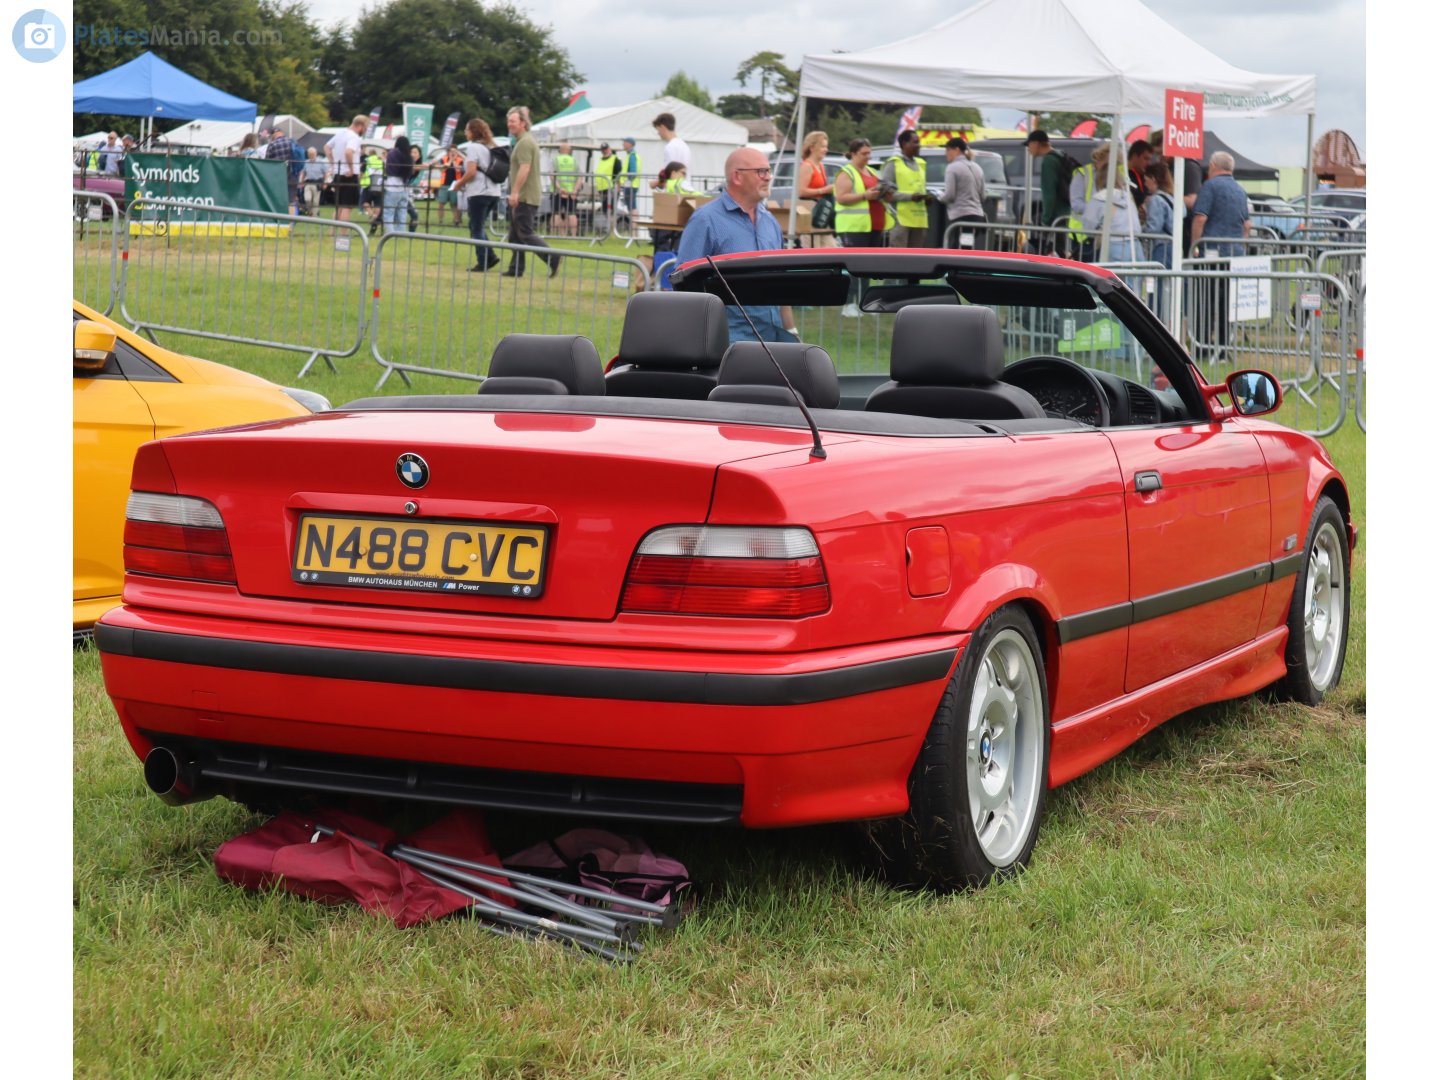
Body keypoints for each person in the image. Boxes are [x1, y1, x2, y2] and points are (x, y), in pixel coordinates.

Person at [675, 147, 796, 343]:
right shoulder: (706, 220)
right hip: (728, 342)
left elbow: (780, 284)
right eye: (761, 171)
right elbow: (684, 286)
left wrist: (791, 329)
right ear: (737, 177)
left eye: (769, 171)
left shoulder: (770, 222)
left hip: (772, 339)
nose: (768, 177)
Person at [1191, 150, 1251, 360]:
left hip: (1211, 252)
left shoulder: (1210, 187)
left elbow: (1200, 219)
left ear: (1213, 165)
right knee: (1226, 304)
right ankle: (1223, 349)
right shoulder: (1240, 190)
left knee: (1205, 300)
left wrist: (1194, 246)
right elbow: (1247, 225)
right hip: (1234, 255)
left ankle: (1203, 348)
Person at [503, 106, 559, 278]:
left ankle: (553, 257)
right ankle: (515, 269)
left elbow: (524, 169)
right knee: (515, 236)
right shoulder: (525, 141)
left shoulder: (525, 143)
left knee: (525, 233)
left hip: (525, 197)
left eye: (512, 121)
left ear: (522, 123)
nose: (509, 124)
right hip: (525, 195)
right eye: (509, 121)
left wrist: (515, 193)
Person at [456, 117, 503, 272]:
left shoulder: (473, 148)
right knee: (476, 226)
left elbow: (471, 172)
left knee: (476, 227)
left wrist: (459, 184)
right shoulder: (491, 146)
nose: (465, 132)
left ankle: (483, 261)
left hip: (479, 192)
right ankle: (490, 256)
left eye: (467, 129)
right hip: (494, 192)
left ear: (473, 131)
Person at [1081, 144, 1141, 262]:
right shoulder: (1128, 197)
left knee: (1113, 280)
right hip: (1136, 247)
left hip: (1113, 246)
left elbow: (1088, 227)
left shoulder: (1099, 199)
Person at [880, 129, 932, 248]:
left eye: (919, 142)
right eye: (915, 142)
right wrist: (911, 197)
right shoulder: (893, 163)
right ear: (904, 144)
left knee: (916, 259)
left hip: (919, 220)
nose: (919, 145)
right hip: (900, 221)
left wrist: (926, 198)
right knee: (899, 259)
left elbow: (919, 187)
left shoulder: (920, 164)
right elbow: (886, 193)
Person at [1026, 129, 1071, 254]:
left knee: (1057, 255)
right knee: (1063, 254)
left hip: (1057, 217)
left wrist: (1045, 221)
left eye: (1029, 144)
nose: (1028, 148)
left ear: (1036, 143)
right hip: (1066, 214)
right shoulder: (1059, 155)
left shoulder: (1048, 161)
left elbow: (1049, 194)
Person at [938, 136, 987, 251]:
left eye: (948, 150)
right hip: (977, 217)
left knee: (957, 251)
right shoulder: (977, 167)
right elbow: (983, 196)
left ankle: (958, 269)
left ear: (956, 150)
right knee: (966, 249)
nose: (946, 153)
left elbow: (949, 195)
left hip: (961, 216)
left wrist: (940, 195)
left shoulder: (952, 168)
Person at [325, 115, 367, 223]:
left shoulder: (340, 133)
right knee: (347, 207)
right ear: (360, 126)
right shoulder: (354, 137)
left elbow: (327, 147)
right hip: (349, 175)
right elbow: (348, 152)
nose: (365, 131)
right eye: (365, 128)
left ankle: (332, 233)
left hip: (338, 173)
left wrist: (333, 163)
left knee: (339, 206)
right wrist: (352, 169)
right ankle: (343, 236)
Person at [1068, 146, 1101, 261]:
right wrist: (1099, 211)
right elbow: (1076, 204)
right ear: (1098, 158)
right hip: (1082, 236)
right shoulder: (1082, 174)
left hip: (1099, 236)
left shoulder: (1110, 175)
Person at [1142, 161, 1175, 266]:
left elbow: (1153, 228)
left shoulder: (1156, 200)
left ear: (1153, 179)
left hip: (1161, 246)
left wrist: (1139, 230)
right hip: (1174, 246)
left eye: (1145, 180)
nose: (1144, 184)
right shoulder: (1173, 198)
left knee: (1159, 280)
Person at [380, 136, 414, 234]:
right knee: (402, 213)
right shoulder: (409, 156)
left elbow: (388, 168)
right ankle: (401, 233)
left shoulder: (392, 153)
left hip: (392, 185)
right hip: (404, 187)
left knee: (388, 212)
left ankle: (390, 234)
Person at [264, 125, 299, 215]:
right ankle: (290, 225)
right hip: (293, 175)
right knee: (291, 201)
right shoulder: (292, 142)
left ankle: (280, 222)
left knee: (277, 200)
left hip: (277, 177)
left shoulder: (272, 144)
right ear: (282, 133)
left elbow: (266, 163)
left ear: (273, 135)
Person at [552, 141, 580, 237]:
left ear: (560, 150)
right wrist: (575, 190)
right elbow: (580, 177)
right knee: (572, 214)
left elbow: (552, 176)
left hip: (558, 192)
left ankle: (559, 234)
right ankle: (573, 236)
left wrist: (559, 188)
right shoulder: (574, 161)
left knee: (557, 213)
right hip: (571, 192)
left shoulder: (555, 160)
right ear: (569, 151)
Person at [593, 143, 622, 230]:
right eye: (602, 149)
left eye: (605, 149)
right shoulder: (601, 160)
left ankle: (612, 229)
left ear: (609, 149)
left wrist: (618, 188)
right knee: (606, 210)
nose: (604, 151)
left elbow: (619, 175)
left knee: (611, 210)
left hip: (611, 188)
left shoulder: (615, 159)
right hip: (602, 189)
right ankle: (610, 228)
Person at [1126, 139, 1153, 221]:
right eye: (1145, 158)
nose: (1149, 163)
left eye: (1150, 159)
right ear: (1134, 156)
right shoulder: (1122, 174)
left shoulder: (1145, 176)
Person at [435, 146, 463, 226]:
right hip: (444, 184)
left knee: (454, 204)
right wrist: (450, 160)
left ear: (457, 152)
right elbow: (442, 170)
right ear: (448, 152)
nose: (453, 153)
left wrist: (453, 161)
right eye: (451, 151)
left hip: (455, 185)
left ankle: (456, 221)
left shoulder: (460, 160)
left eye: (455, 151)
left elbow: (458, 170)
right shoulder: (443, 159)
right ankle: (440, 221)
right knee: (441, 203)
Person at [363, 146, 386, 234]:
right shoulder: (381, 162)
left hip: (368, 184)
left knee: (364, 202)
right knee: (378, 204)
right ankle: (375, 218)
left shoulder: (367, 160)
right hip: (380, 185)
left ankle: (372, 215)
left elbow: (362, 171)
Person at [299, 148, 328, 215]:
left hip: (317, 183)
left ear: (316, 154)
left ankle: (314, 216)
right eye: (310, 154)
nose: (311, 156)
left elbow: (326, 173)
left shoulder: (321, 162)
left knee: (315, 202)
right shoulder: (306, 162)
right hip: (308, 182)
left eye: (312, 154)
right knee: (307, 199)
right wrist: (301, 181)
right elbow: (303, 173)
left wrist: (325, 183)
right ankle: (310, 211)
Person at [619, 137, 642, 214]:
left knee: (632, 207)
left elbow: (632, 173)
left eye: (624, 142)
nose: (623, 144)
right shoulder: (631, 155)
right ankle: (634, 224)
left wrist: (626, 184)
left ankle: (634, 225)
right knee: (632, 206)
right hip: (631, 185)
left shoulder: (632, 156)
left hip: (630, 186)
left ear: (629, 144)